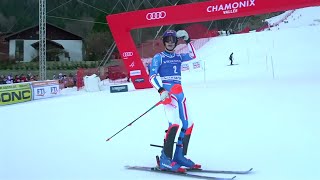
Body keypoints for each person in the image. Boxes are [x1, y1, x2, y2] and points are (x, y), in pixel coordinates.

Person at [149, 30, 201, 172]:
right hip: (168, 96)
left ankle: (179, 156)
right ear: (164, 41)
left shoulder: (178, 57)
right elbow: (152, 76)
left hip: (180, 95)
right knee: (175, 123)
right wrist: (161, 90)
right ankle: (165, 159)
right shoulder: (158, 57)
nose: (170, 42)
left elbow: (193, 55)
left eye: (173, 40)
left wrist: (188, 40)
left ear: (176, 42)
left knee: (188, 123)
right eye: (168, 39)